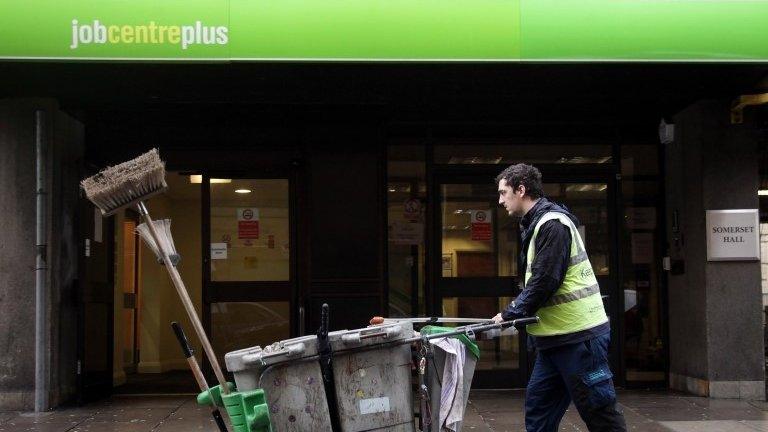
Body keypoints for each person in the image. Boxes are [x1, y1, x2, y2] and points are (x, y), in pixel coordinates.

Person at [490, 163, 626, 432]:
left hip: (579, 338)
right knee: (538, 412)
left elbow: (545, 281)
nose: (500, 200)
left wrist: (510, 313)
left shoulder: (553, 225)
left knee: (599, 412)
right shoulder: (536, 225)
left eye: (504, 193)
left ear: (521, 190)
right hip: (553, 341)